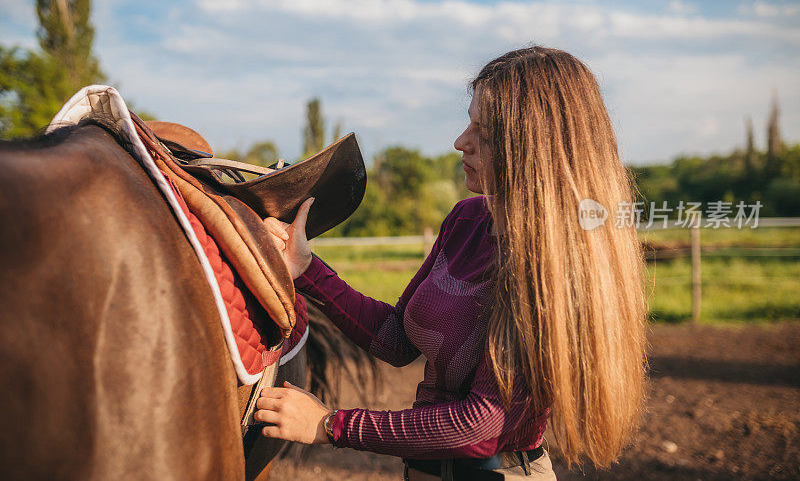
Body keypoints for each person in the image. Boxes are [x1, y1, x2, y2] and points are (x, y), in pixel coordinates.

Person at [255, 46, 648, 480]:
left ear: (536, 147)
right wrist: (307, 269)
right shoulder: (466, 220)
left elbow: (479, 426)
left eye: (486, 132)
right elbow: (396, 339)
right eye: (469, 122)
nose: (461, 141)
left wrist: (330, 425)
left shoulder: (547, 267)